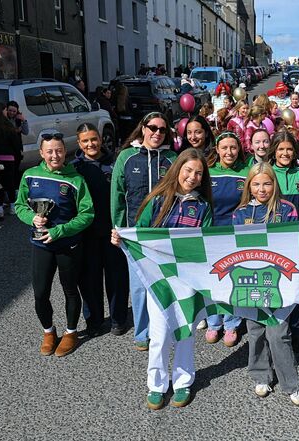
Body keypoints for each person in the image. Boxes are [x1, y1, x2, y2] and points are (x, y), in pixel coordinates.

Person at [112, 148, 212, 410]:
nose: (192, 176)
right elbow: (138, 233)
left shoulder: (203, 207)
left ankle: (183, 382)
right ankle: (156, 385)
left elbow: (209, 243)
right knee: (158, 336)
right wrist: (122, 237)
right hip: (158, 280)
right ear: (177, 169)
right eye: (188, 170)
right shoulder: (157, 199)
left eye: (198, 173)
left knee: (185, 333)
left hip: (188, 282)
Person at [15, 132, 94, 357]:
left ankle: (71, 333)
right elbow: (20, 205)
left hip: (68, 244)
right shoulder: (30, 176)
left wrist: (60, 230)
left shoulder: (76, 179)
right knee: (40, 293)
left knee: (70, 290)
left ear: (64, 151)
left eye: (58, 150)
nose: (54, 155)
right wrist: (32, 218)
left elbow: (87, 214)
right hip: (41, 245)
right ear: (41, 153)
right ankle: (49, 332)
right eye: (49, 151)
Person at [232, 162, 299, 406]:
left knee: (278, 332)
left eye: (267, 183)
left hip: (281, 282)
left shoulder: (287, 209)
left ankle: (290, 383)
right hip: (252, 281)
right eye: (256, 184)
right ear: (249, 186)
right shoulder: (240, 213)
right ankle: (261, 375)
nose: (262, 189)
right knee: (255, 330)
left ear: (275, 184)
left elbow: (295, 242)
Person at [111, 112, 177, 350]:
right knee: (139, 286)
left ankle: (166, 326)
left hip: (163, 233)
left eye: (162, 129)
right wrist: (118, 227)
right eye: (152, 128)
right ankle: (142, 333)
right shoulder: (126, 157)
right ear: (143, 128)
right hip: (134, 234)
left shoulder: (171, 158)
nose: (157, 133)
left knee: (164, 283)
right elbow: (117, 196)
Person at [72, 124, 128, 337]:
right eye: (85, 141)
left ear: (101, 139)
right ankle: (94, 320)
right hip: (87, 233)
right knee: (90, 279)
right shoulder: (75, 167)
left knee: (117, 278)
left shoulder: (115, 163)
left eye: (93, 139)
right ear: (79, 143)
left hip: (113, 232)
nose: (90, 144)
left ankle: (118, 319)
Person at [204, 131, 250, 346]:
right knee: (213, 279)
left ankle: (232, 323)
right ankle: (214, 322)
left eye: (233, 147)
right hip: (212, 232)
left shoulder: (246, 171)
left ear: (239, 149)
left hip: (236, 234)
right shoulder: (208, 171)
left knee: (234, 279)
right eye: (224, 148)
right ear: (217, 150)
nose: (229, 152)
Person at [269, 131, 299, 221]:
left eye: (289, 149)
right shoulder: (266, 174)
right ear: (274, 151)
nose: (285, 153)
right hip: (272, 231)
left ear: (294, 151)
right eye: (280, 149)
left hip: (296, 231)